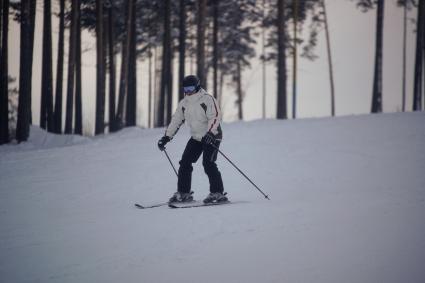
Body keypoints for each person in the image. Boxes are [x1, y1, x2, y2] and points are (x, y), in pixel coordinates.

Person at [157, 75, 228, 204]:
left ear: (197, 86)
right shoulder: (184, 103)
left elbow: (215, 116)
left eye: (190, 88)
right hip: (196, 137)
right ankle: (184, 193)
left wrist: (211, 133)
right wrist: (167, 137)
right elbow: (176, 120)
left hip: (212, 136)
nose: (188, 91)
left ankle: (217, 193)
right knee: (184, 162)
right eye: (186, 88)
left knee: (208, 164)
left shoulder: (207, 99)